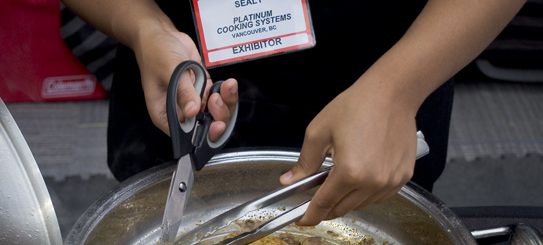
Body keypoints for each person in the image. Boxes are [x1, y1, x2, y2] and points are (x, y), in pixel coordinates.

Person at [61, 0, 525, 226]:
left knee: (384, 232)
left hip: (392, 62)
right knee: (153, 240)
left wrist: (398, 90)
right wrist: (144, 26)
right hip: (180, 78)